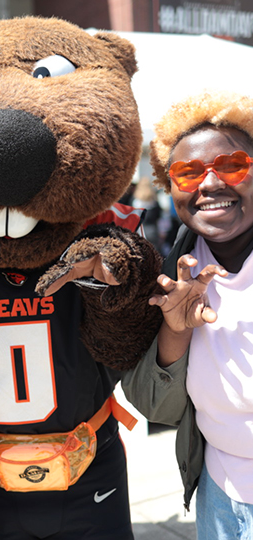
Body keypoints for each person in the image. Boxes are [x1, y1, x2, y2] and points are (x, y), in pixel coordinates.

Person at [126, 90, 253, 540]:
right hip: (217, 491)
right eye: (188, 172)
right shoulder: (167, 269)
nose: (211, 184)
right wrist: (174, 331)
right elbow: (153, 406)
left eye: (233, 165)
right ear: (170, 185)